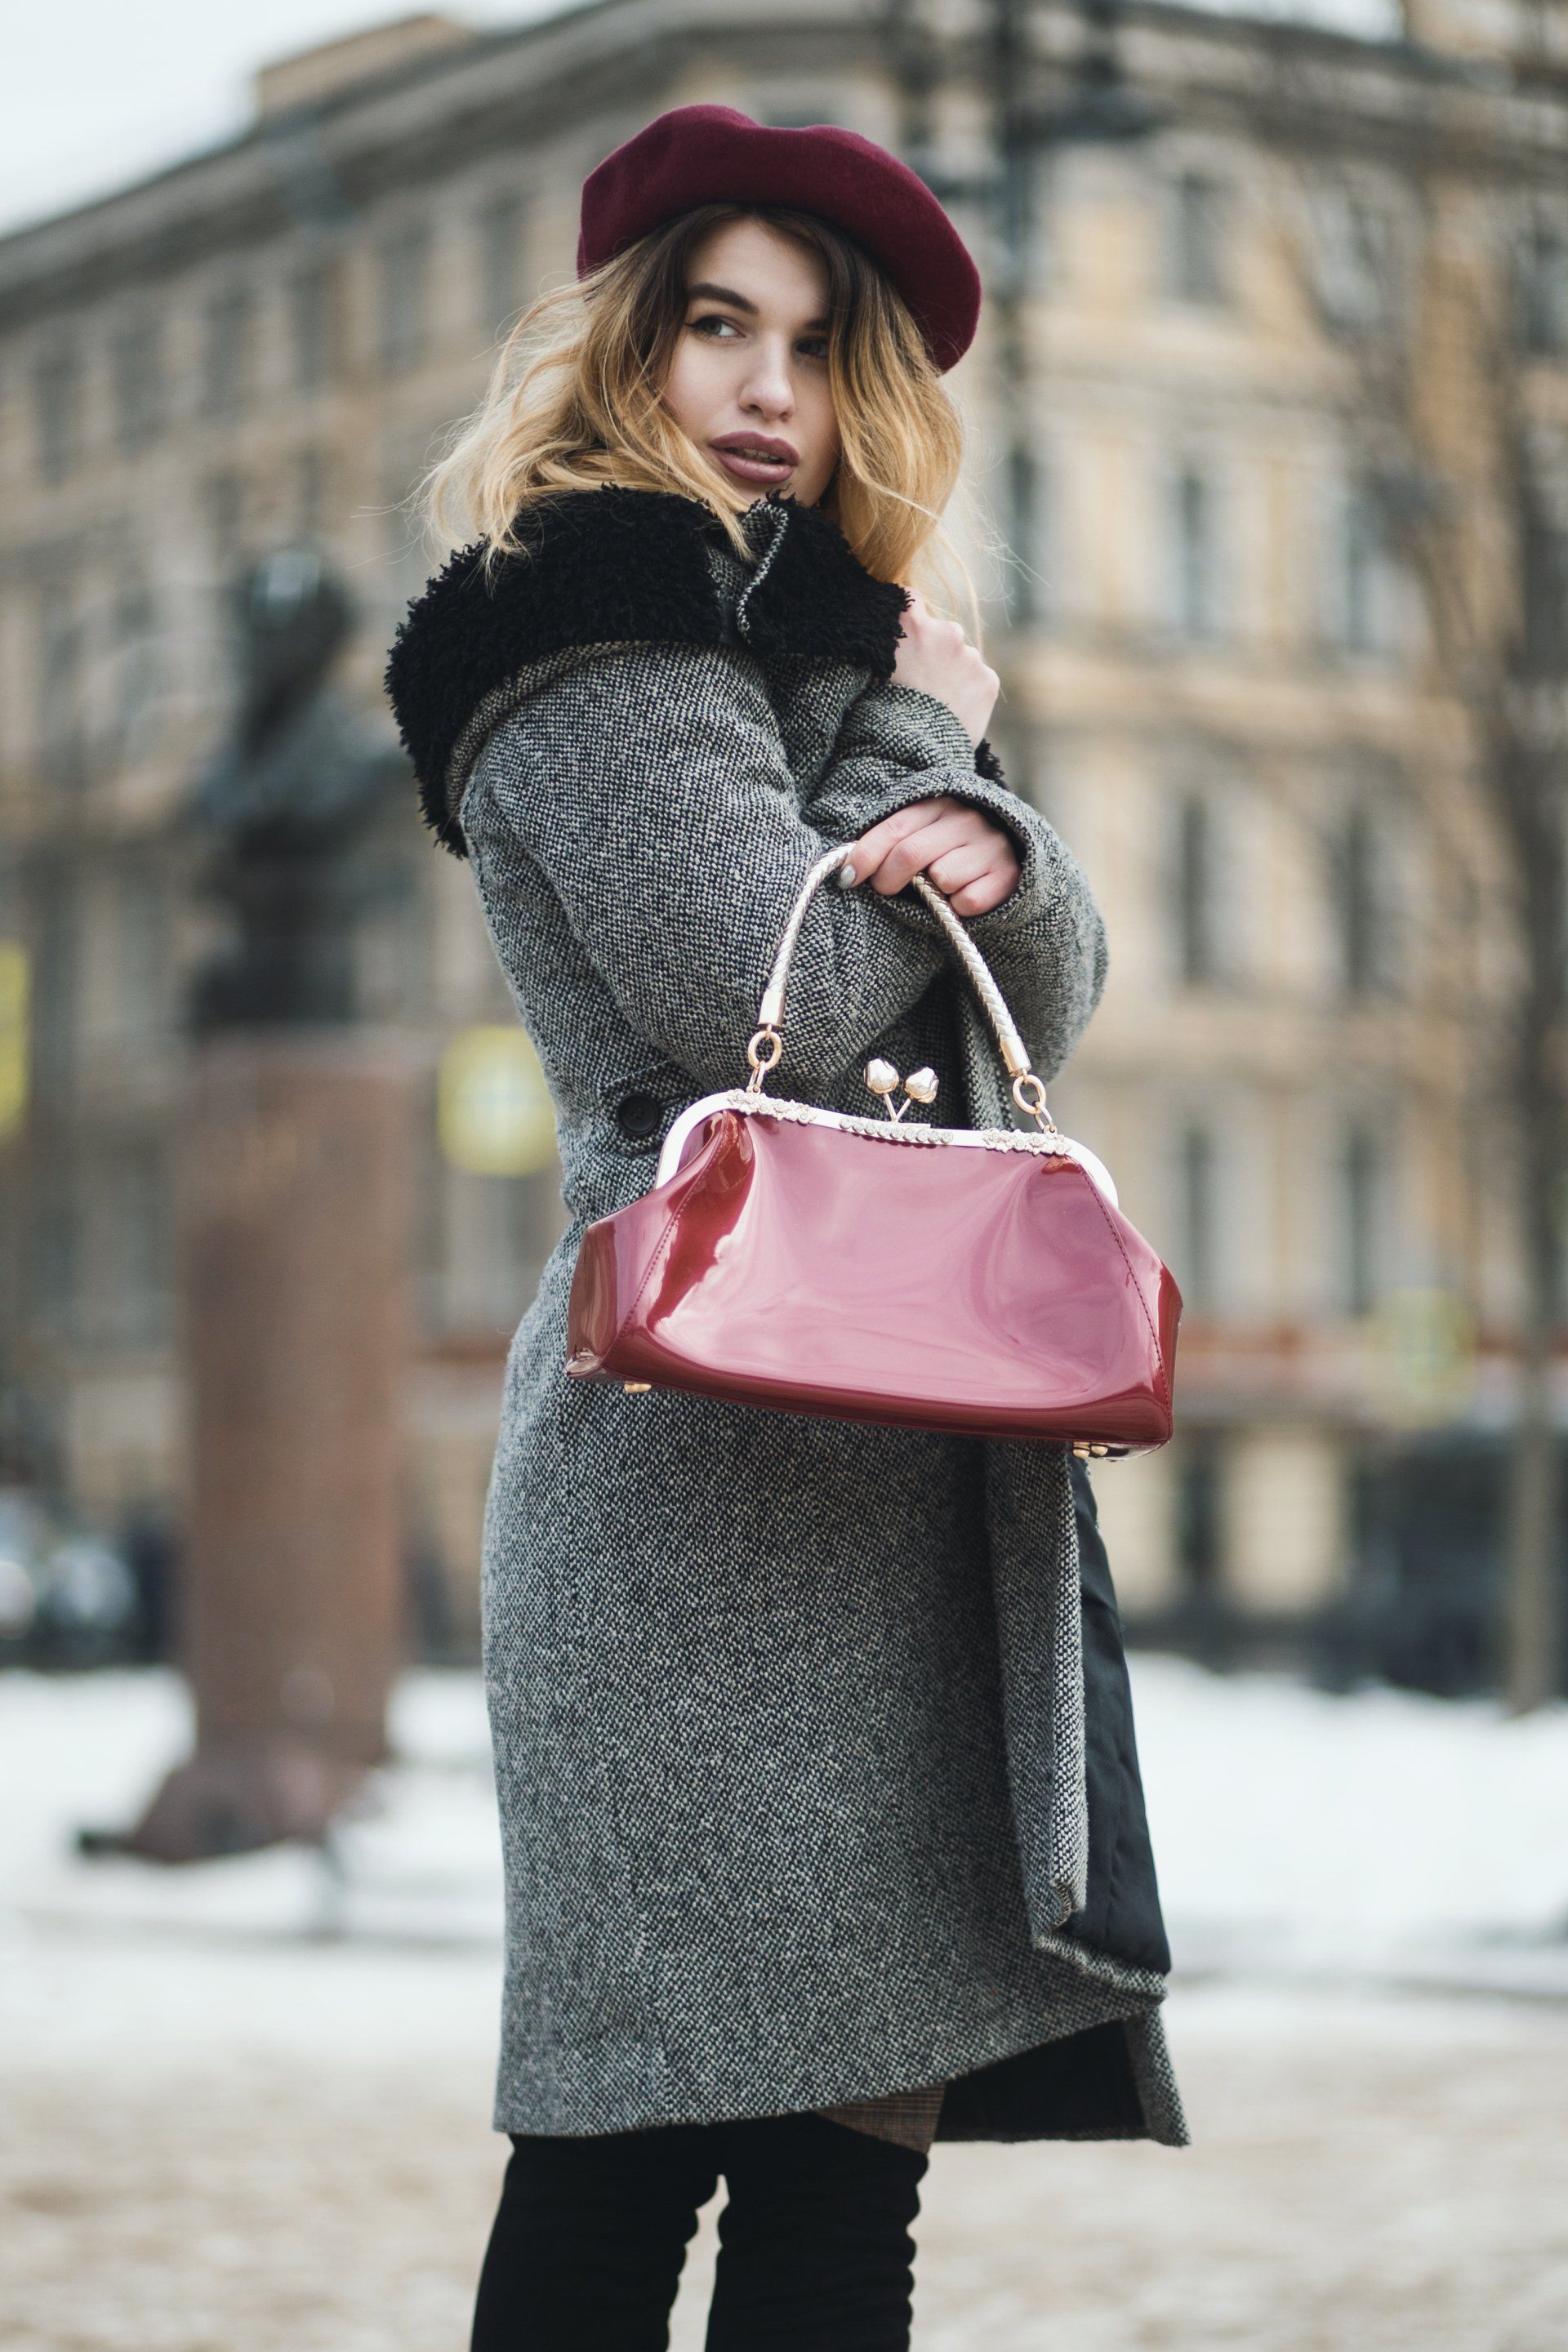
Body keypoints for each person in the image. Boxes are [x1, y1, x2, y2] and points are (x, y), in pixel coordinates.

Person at [386, 103, 1186, 2352]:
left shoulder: (814, 643)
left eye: (819, 348)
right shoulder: (587, 635)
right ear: (627, 348)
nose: (769, 389)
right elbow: (793, 991)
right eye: (719, 327)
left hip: (898, 1484)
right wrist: (924, 744)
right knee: (621, 2168)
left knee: (847, 2201)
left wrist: (1002, 849)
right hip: (687, 1498)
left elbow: (1042, 994)